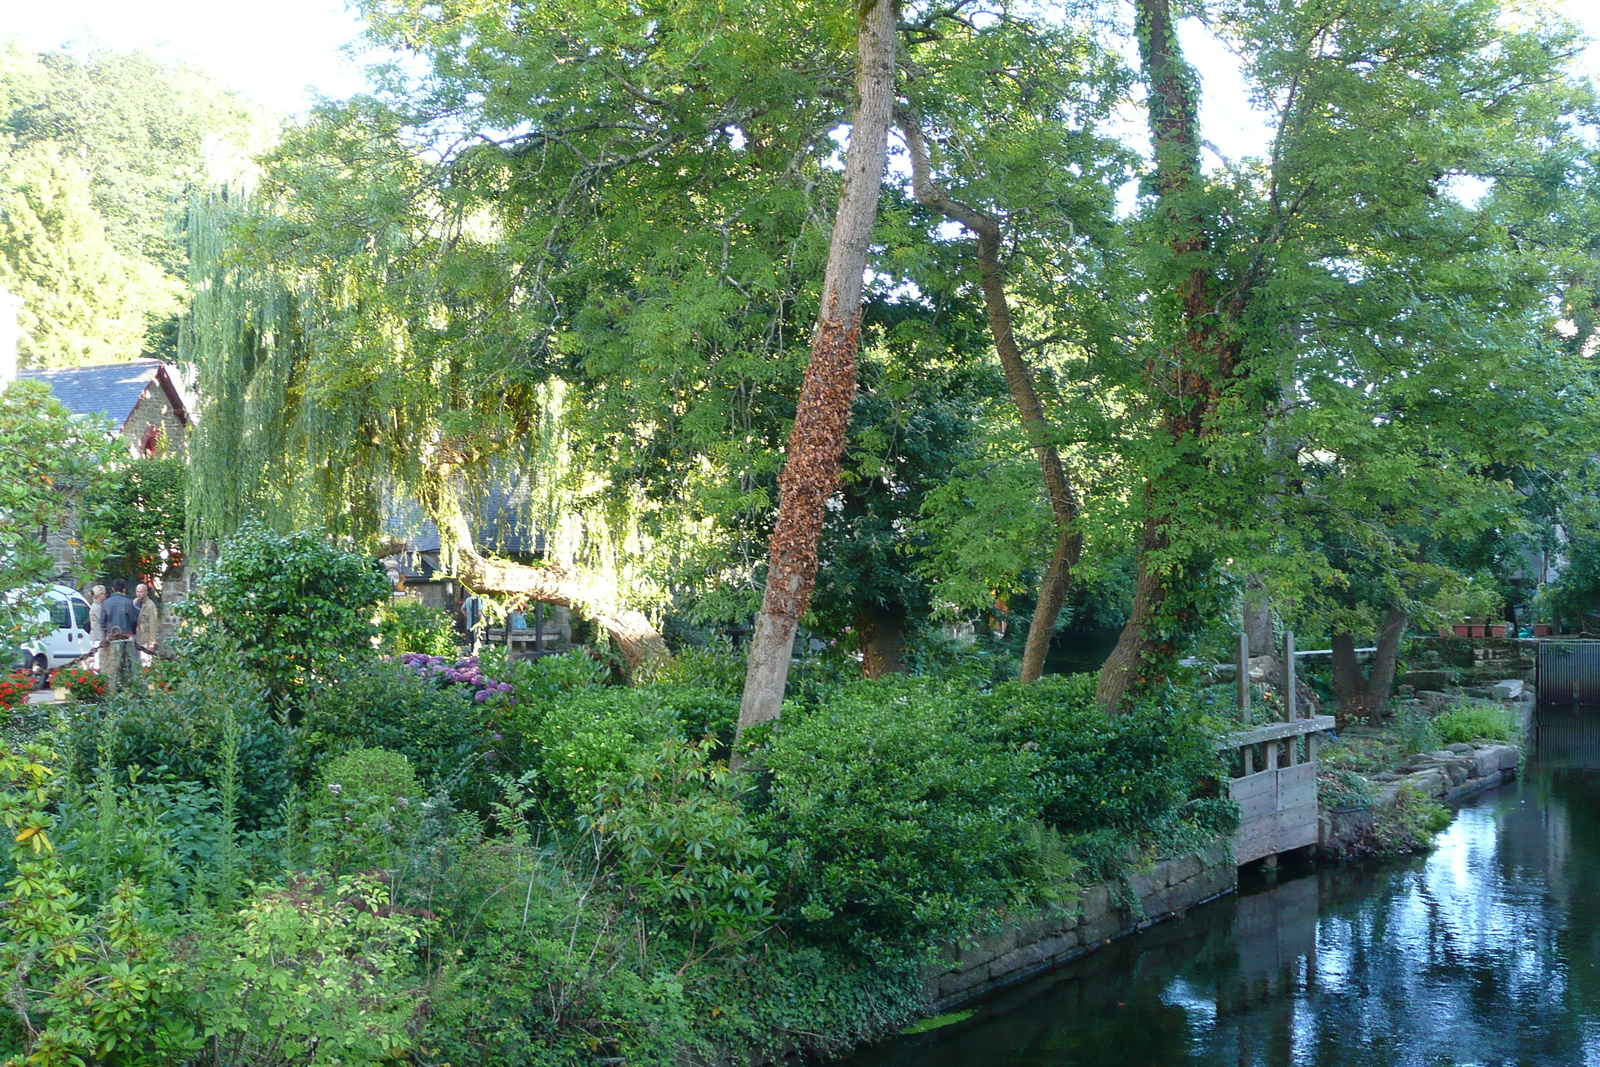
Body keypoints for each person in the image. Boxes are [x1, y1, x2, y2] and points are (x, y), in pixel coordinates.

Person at [134, 582, 159, 662]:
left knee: (145, 662)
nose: (139, 594)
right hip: (135, 638)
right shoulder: (134, 602)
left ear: (146, 592)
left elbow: (153, 625)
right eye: (137, 591)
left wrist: (152, 642)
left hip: (145, 639)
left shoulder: (151, 606)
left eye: (141, 592)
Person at [87, 584, 106, 668]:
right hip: (97, 637)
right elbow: (103, 619)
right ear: (100, 595)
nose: (105, 595)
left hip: (98, 636)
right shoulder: (96, 607)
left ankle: (90, 664)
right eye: (104, 594)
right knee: (99, 660)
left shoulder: (99, 606)